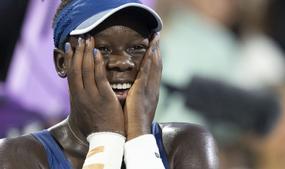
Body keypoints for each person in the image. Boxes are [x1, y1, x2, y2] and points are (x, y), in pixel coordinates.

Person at [0, 0, 218, 169]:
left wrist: (140, 138)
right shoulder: (18, 155)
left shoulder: (187, 144)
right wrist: (106, 140)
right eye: (102, 49)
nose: (122, 63)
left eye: (137, 48)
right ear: (61, 62)